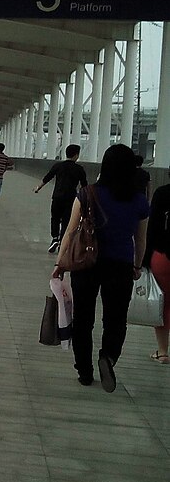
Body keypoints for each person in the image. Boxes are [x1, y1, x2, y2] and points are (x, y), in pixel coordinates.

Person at [52, 144, 149, 391]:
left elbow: (70, 231)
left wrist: (60, 263)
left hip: (86, 263)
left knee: (83, 319)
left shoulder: (87, 193)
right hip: (121, 266)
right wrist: (137, 265)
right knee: (116, 320)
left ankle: (84, 371)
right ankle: (108, 356)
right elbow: (140, 239)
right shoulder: (139, 200)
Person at [34, 145, 87, 253]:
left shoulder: (58, 166)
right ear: (76, 155)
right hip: (71, 198)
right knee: (66, 221)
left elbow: (48, 177)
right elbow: (84, 185)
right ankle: (62, 241)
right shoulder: (79, 169)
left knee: (55, 218)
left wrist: (38, 187)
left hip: (57, 196)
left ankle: (54, 238)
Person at [144, 176, 170, 364]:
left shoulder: (162, 194)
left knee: (162, 304)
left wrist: (143, 261)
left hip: (163, 256)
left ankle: (162, 352)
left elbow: (151, 229)